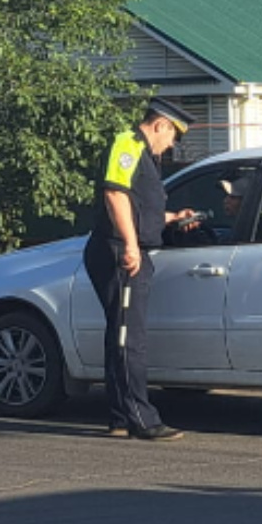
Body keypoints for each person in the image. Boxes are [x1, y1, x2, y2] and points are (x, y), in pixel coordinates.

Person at [84, 98, 198, 441]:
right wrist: (131, 245)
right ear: (161, 124)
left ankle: (120, 417)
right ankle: (141, 419)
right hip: (121, 253)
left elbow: (137, 208)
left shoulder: (146, 156)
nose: (172, 144)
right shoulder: (128, 143)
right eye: (174, 136)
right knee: (128, 339)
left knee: (120, 335)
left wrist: (173, 218)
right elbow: (115, 195)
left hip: (126, 248)